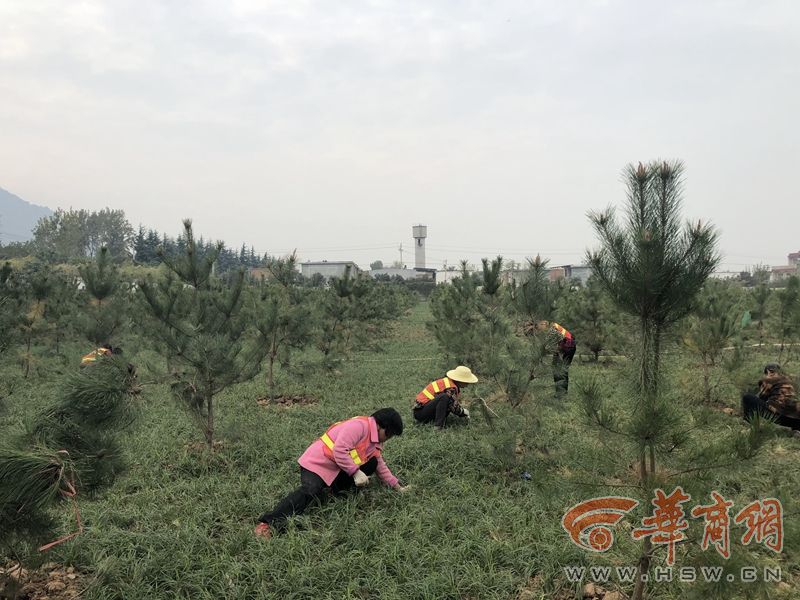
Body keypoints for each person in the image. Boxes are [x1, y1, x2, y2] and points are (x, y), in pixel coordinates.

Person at [255, 408, 407, 539]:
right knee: (311, 490)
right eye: (389, 434)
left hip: (337, 469)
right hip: (317, 464)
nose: (388, 439)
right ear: (381, 426)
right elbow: (339, 451)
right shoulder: (359, 426)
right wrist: (355, 472)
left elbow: (380, 466)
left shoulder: (375, 442)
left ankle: (334, 491)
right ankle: (268, 524)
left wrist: (397, 487)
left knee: (372, 463)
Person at [413, 365, 477, 428]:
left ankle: (436, 421)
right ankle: (438, 426)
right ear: (460, 380)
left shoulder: (450, 383)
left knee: (447, 399)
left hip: (424, 409)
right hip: (420, 412)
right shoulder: (450, 387)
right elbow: (454, 408)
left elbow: (452, 403)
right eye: (466, 381)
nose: (468, 384)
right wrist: (463, 412)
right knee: (445, 397)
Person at [742, 363, 800, 433]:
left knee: (747, 398)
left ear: (770, 372)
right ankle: (796, 430)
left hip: (779, 416)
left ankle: (753, 427)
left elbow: (761, 398)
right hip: (796, 419)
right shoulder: (792, 381)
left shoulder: (769, 380)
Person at [532, 321, 576, 395]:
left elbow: (547, 346)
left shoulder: (551, 330)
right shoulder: (552, 328)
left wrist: (539, 353)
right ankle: (559, 392)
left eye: (538, 326)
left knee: (562, 370)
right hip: (562, 349)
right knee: (556, 368)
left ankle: (562, 393)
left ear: (544, 324)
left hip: (567, 348)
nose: (538, 329)